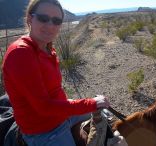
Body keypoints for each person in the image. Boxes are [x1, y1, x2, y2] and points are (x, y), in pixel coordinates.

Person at [1, 0, 110, 145]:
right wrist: (91, 103)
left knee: (105, 115)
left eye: (56, 21)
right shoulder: (21, 53)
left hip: (61, 114)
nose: (50, 25)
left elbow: (53, 91)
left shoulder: (47, 49)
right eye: (43, 18)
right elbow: (44, 106)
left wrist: (88, 104)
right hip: (44, 130)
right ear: (30, 19)